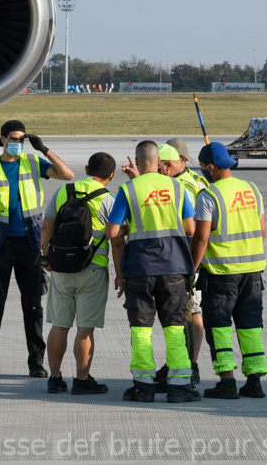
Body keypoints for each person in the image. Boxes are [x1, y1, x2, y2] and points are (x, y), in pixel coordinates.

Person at [0, 120, 74, 379]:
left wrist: (44, 149)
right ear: (2, 140)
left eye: (22, 139)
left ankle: (36, 363)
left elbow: (68, 175)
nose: (18, 144)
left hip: (31, 246)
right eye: (13, 139)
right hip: (1, 246)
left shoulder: (34, 163)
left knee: (33, 307)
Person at [104, 140, 200, 403]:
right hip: (174, 269)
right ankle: (179, 388)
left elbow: (112, 233)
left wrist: (131, 228)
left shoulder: (128, 189)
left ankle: (143, 387)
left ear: (137, 160)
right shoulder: (178, 188)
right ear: (158, 162)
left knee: (141, 328)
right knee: (174, 327)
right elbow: (190, 229)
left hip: (140, 269)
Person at [190, 141, 267, 399]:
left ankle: (227, 381)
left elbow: (201, 239)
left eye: (202, 167)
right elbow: (262, 231)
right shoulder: (252, 189)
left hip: (221, 275)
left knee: (219, 326)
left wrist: (192, 269)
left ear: (210, 167)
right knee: (250, 325)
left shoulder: (208, 196)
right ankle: (254, 379)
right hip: (253, 273)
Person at [39, 152, 120, 395]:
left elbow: (46, 226)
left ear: (86, 168)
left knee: (59, 326)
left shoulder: (64, 191)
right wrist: (120, 273)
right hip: (92, 270)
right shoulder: (109, 200)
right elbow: (116, 240)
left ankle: (54, 378)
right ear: (112, 175)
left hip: (62, 268)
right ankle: (82, 380)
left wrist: (47, 257)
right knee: (85, 328)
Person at [156, 139, 210, 388]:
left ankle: (189, 364)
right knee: (192, 312)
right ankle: (183, 362)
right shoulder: (198, 180)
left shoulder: (181, 186)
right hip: (196, 256)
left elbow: (190, 228)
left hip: (188, 258)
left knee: (188, 314)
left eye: (161, 165)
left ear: (176, 162)